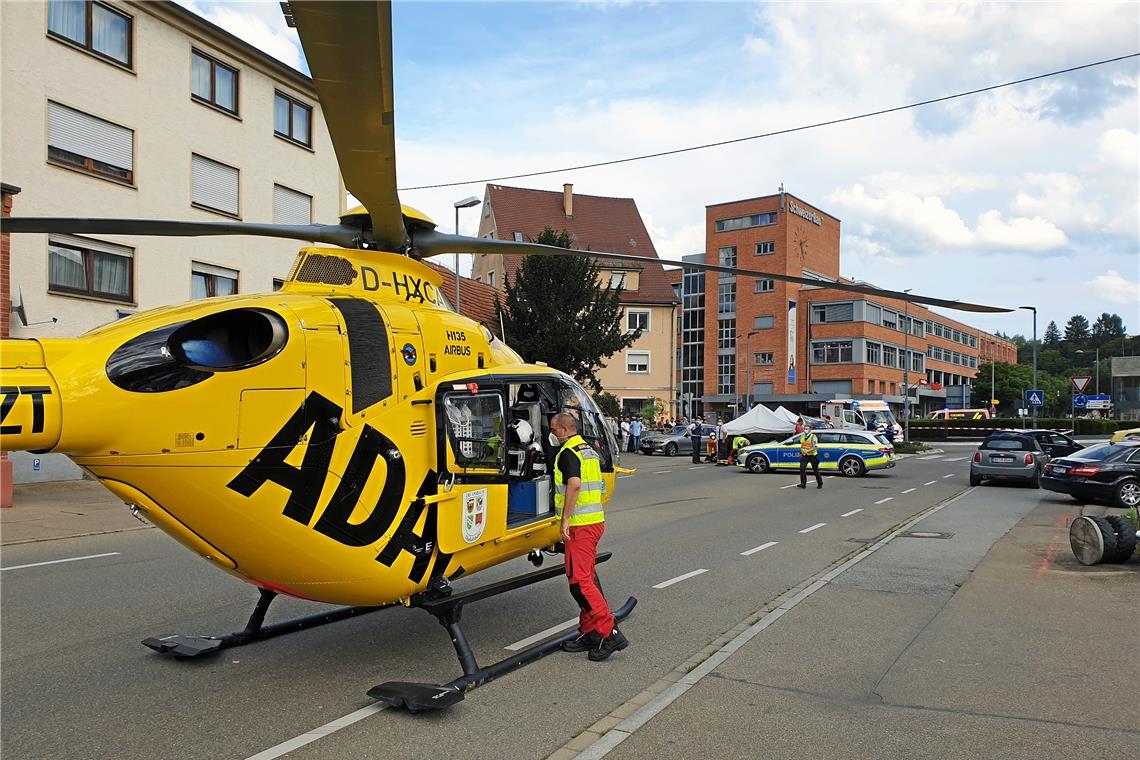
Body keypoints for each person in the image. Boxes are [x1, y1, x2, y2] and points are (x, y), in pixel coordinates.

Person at [551, 413, 629, 661]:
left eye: (553, 429)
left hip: (580, 526)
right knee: (583, 580)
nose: (551, 433)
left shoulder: (567, 453)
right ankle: (590, 631)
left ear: (564, 429)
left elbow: (573, 484)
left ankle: (609, 632)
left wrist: (565, 518)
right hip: (593, 522)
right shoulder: (588, 450)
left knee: (580, 583)